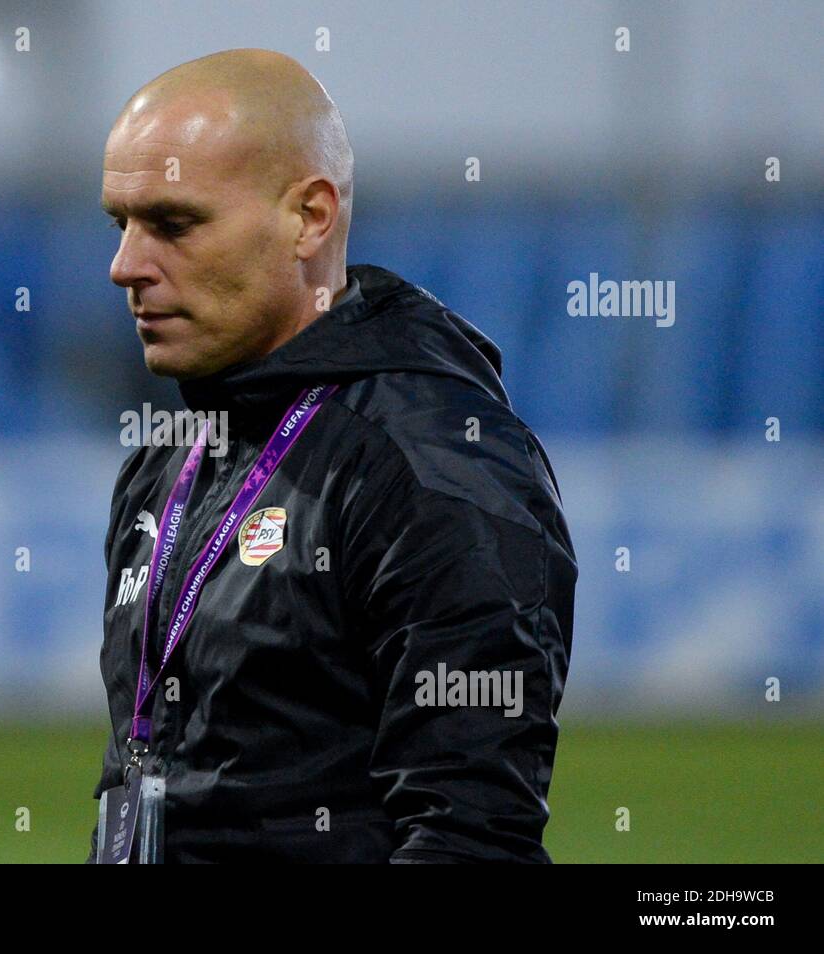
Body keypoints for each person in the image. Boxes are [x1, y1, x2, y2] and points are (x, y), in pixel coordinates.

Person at [89, 48, 576, 863]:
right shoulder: (168, 460)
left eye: (174, 224)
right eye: (121, 224)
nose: (125, 266)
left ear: (309, 218)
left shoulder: (431, 463)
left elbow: (470, 837)